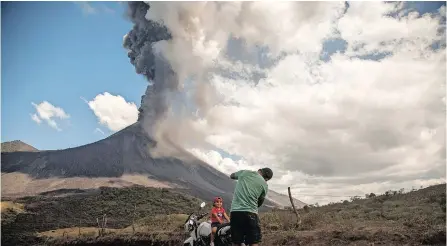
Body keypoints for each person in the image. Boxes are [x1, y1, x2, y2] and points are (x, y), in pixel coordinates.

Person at [229, 168, 273, 246]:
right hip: (251, 214)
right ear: (266, 179)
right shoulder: (265, 185)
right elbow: (259, 202)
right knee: (253, 242)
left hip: (236, 212)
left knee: (236, 241)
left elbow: (232, 176)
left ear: (259, 170)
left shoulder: (245, 172)